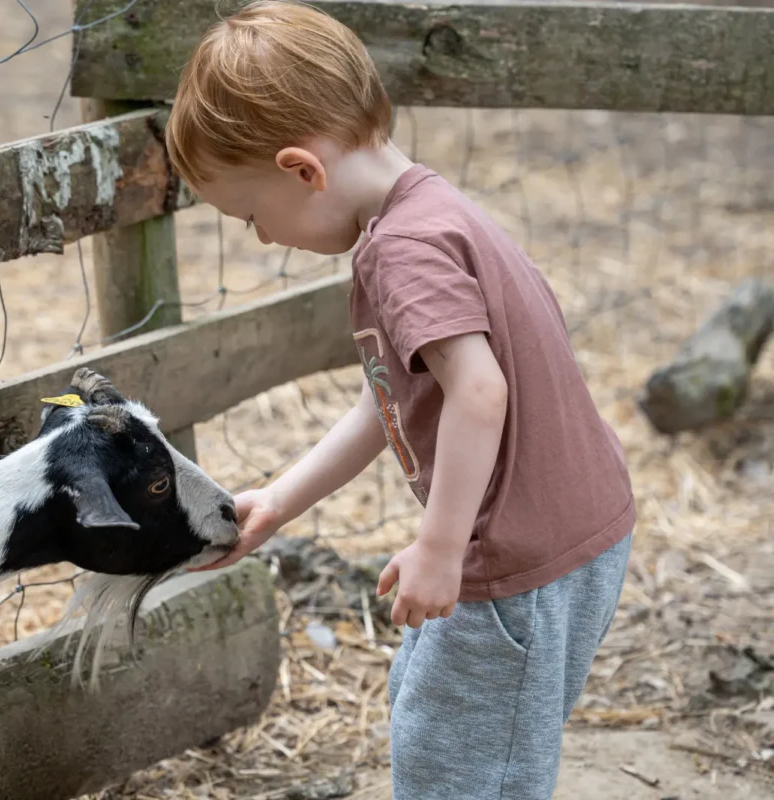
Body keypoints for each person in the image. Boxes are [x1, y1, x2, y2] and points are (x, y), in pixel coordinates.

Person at [165, 2, 636, 797]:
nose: (263, 237)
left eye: (250, 215)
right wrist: (279, 501)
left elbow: (479, 394)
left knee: (460, 773)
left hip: (512, 558)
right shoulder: (434, 209)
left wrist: (442, 548)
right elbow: (381, 405)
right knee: (450, 729)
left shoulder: (402, 252)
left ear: (302, 170)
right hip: (573, 533)